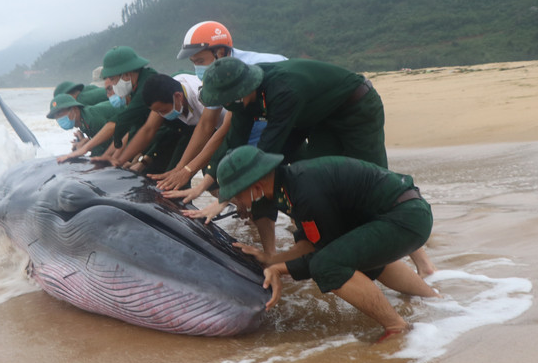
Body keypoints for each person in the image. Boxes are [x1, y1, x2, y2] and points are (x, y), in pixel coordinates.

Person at [192, 56, 436, 277]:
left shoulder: (283, 89)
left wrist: (225, 198)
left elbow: (264, 155)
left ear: (242, 90)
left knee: (373, 185)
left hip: (357, 107)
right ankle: (297, 250)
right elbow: (235, 144)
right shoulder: (242, 100)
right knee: (316, 180)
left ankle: (422, 263)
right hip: (321, 118)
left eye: (227, 100)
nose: (227, 105)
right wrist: (208, 183)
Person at [211, 146, 440, 339]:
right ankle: (436, 301)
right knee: (350, 254)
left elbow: (325, 252)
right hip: (407, 213)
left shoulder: (304, 191)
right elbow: (311, 241)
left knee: (328, 265)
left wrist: (281, 269)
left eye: (237, 195)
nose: (238, 202)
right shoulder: (290, 184)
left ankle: (396, 327)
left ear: (256, 187)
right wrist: (271, 260)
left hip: (405, 218)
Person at [57, 46, 157, 165]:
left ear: (126, 74)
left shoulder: (147, 87)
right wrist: (111, 158)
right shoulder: (137, 87)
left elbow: (124, 124)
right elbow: (129, 131)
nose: (113, 86)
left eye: (113, 79)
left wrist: (86, 149)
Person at [46, 93, 117, 156]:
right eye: (56, 117)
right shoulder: (82, 122)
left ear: (74, 109)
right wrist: (84, 143)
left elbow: (109, 146)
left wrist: (83, 149)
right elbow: (100, 143)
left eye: (59, 114)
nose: (59, 119)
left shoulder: (92, 119)